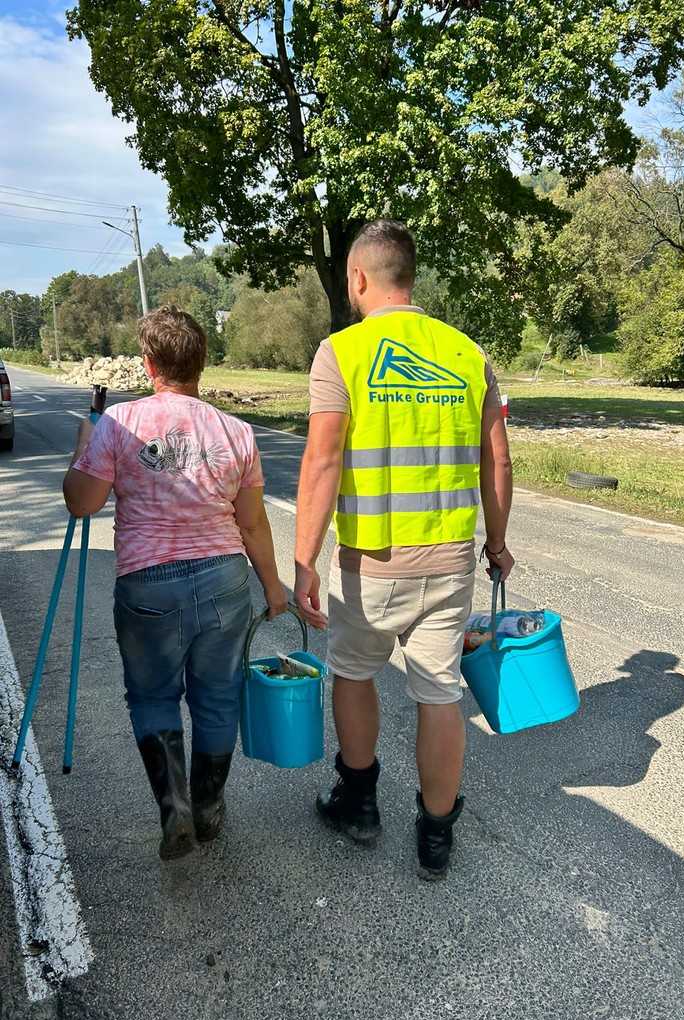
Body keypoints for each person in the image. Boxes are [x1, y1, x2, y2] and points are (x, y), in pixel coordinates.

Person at [294, 220, 514, 880]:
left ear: (358, 278)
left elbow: (323, 460)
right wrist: (496, 544)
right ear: (410, 278)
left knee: (355, 673)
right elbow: (497, 461)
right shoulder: (468, 354)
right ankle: (435, 835)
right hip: (448, 559)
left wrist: (303, 558)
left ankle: (358, 802)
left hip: (369, 563)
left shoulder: (342, 352)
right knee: (438, 691)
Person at [63, 305, 287, 861]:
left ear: (148, 363)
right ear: (202, 364)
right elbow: (253, 522)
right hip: (223, 580)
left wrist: (81, 446)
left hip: (148, 585)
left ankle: (175, 809)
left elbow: (81, 502)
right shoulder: (236, 432)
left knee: (153, 697)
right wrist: (274, 589)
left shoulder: (117, 426)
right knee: (217, 697)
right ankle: (209, 806)